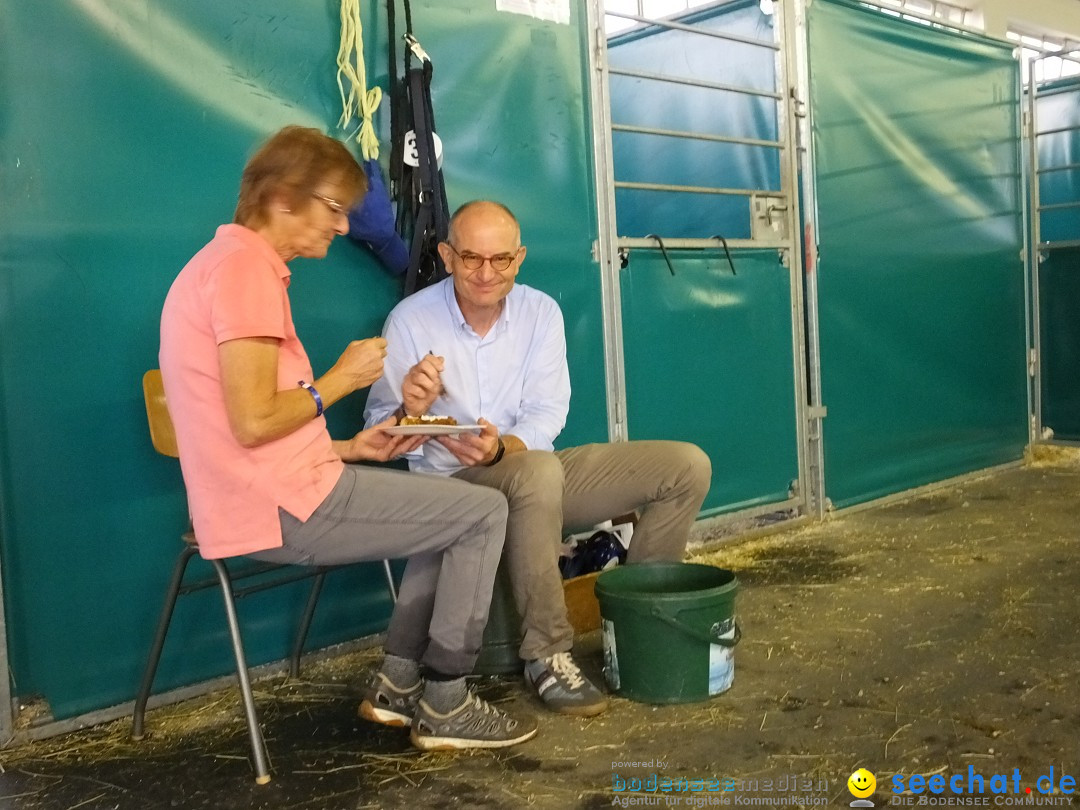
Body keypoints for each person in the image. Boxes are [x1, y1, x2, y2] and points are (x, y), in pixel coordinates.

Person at [158, 129, 536, 751]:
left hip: (265, 491)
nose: (342, 227)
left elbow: (231, 431)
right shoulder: (244, 273)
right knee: (482, 509)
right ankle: (444, 700)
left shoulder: (225, 265)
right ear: (283, 198)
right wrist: (341, 379)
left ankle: (397, 684)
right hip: (278, 508)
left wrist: (349, 449)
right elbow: (253, 422)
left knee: (447, 509)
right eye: (334, 209)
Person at [364, 200, 712, 717]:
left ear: (520, 257)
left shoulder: (540, 311)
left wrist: (503, 447)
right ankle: (547, 653)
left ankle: (642, 628)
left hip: (530, 469)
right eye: (471, 259)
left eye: (500, 260)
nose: (486, 273)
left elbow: (548, 412)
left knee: (685, 467)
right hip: (451, 485)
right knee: (537, 469)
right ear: (446, 255)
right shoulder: (411, 320)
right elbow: (376, 431)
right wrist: (407, 408)